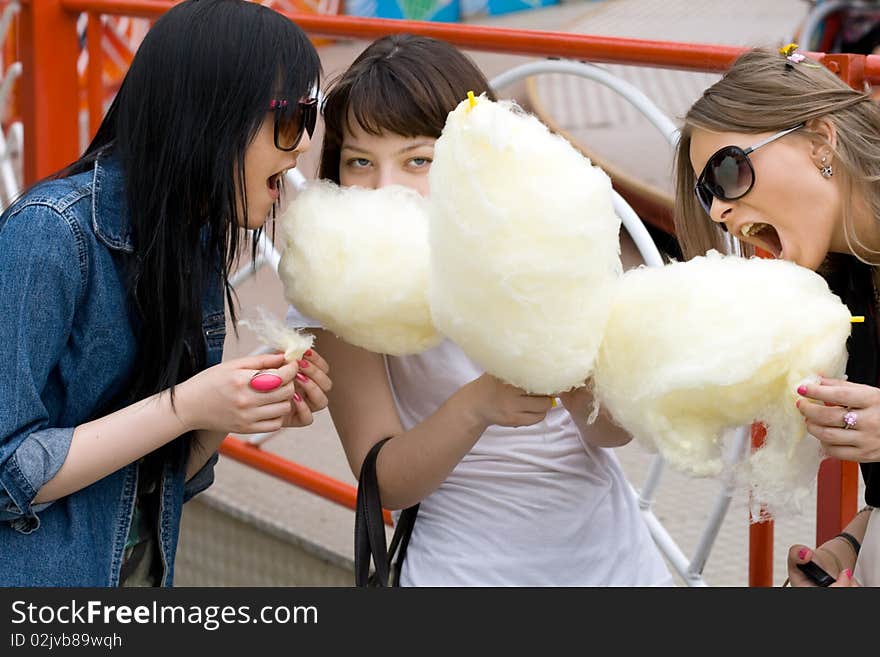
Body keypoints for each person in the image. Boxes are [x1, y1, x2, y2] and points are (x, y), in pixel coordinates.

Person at [287, 34, 673, 586]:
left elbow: (614, 435)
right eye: (359, 162)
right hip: (463, 570)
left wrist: (572, 376)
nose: (386, 188)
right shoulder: (338, 288)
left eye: (419, 159)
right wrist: (476, 406)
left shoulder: (544, 244)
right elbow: (383, 480)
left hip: (612, 562)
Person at [0, 0, 331, 586]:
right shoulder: (50, 234)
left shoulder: (190, 238)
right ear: (210, 115)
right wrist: (187, 404)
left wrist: (232, 408)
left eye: (311, 117)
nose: (302, 144)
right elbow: (7, 473)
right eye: (290, 119)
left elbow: (160, 479)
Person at [673, 45, 880, 587]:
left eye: (727, 171)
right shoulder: (841, 289)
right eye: (705, 193)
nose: (718, 210)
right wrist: (848, 546)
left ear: (820, 140)